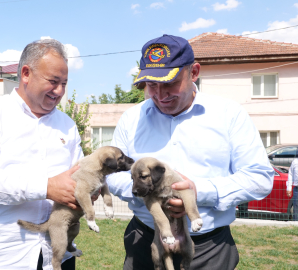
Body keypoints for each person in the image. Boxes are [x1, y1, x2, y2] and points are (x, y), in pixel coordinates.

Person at [106, 34, 274, 270]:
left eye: (170, 83)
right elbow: (113, 174)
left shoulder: (229, 115)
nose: (160, 95)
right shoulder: (131, 119)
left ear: (194, 72)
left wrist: (200, 193)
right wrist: (148, 194)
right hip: (145, 241)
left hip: (208, 249)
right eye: (152, 85)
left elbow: (259, 177)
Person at [0, 39, 84, 270]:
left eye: (64, 83)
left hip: (57, 258)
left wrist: (85, 191)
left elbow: (79, 174)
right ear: (26, 73)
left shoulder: (67, 125)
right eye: (53, 82)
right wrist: (46, 187)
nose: (59, 91)